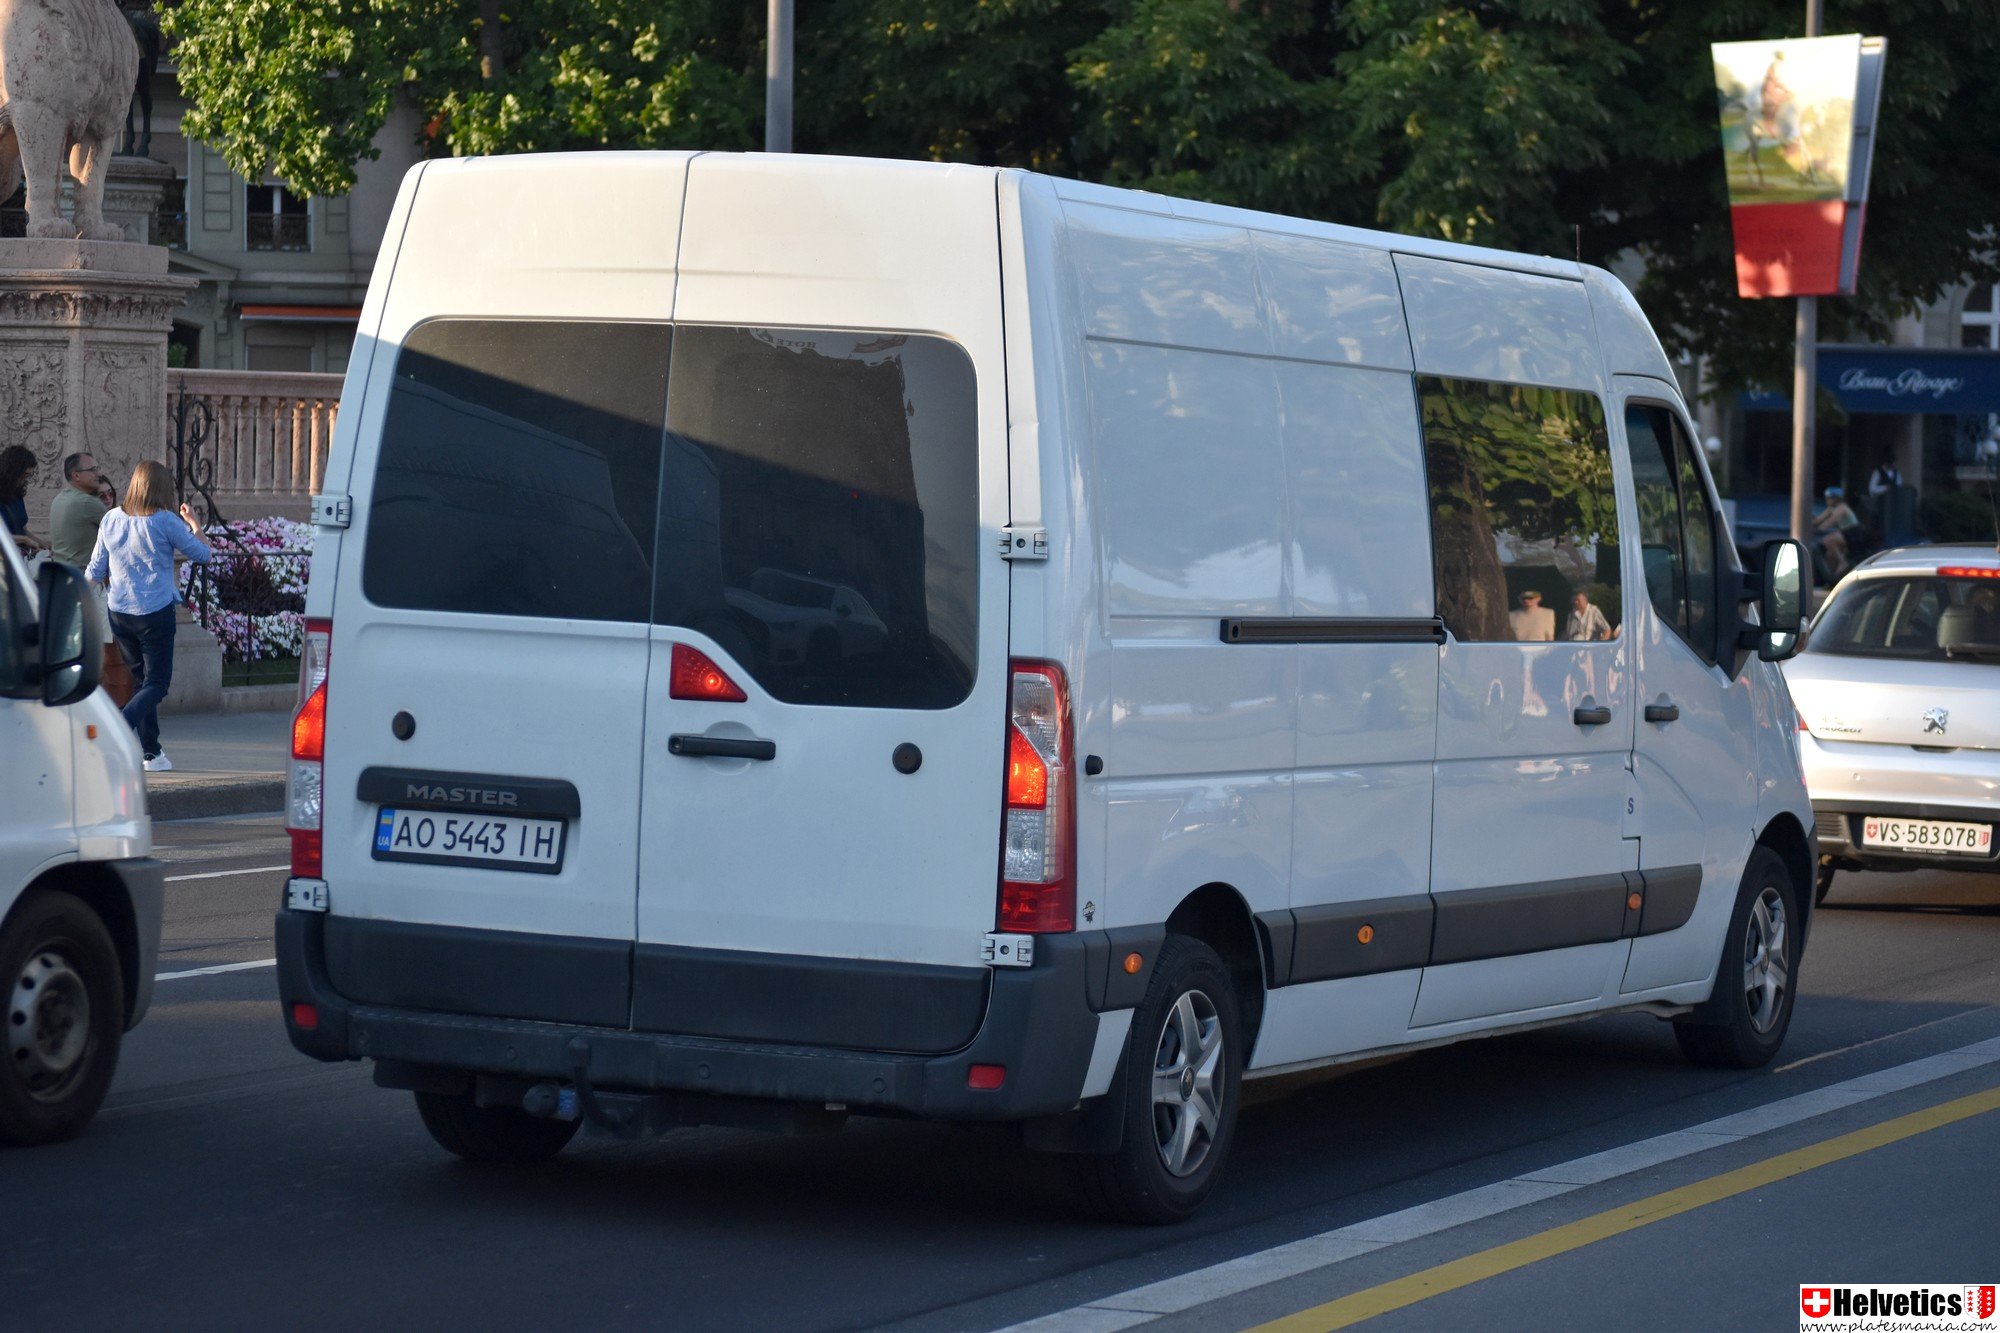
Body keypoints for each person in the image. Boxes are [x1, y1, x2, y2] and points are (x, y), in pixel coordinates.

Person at [85, 460, 212, 772]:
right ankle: (118, 726)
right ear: (161, 488)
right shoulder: (165, 521)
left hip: (119, 612)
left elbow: (95, 571)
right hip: (154, 612)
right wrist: (195, 525)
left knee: (143, 681)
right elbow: (203, 554)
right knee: (157, 683)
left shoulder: (111, 518)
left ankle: (151, 753)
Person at [48, 452, 108, 567]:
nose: (99, 474)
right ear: (76, 476)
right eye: (93, 469)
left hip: (63, 574)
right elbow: (121, 532)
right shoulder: (86, 502)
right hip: (84, 579)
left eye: (98, 468)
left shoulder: (59, 498)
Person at [0, 443, 41, 555]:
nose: (25, 480)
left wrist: (41, 543)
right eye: (24, 475)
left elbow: (21, 528)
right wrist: (24, 540)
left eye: (29, 476)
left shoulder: (16, 494)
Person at [1812, 486, 1859, 579]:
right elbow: (1818, 520)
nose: (1827, 500)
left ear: (1836, 498)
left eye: (1829, 498)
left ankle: (1842, 562)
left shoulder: (1842, 508)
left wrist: (1816, 529)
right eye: (1826, 497)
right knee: (1829, 556)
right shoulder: (1831, 508)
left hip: (1852, 533)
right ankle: (1833, 578)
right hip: (1845, 533)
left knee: (1827, 540)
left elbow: (1828, 523)